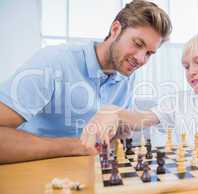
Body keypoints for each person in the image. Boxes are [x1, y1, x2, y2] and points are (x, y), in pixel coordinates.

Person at [0, 0, 172, 164]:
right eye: (137, 43)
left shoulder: (126, 75)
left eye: (149, 53)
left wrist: (117, 133)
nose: (140, 59)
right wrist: (75, 146)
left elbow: (109, 137)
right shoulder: (53, 62)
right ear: (115, 30)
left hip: (88, 177)